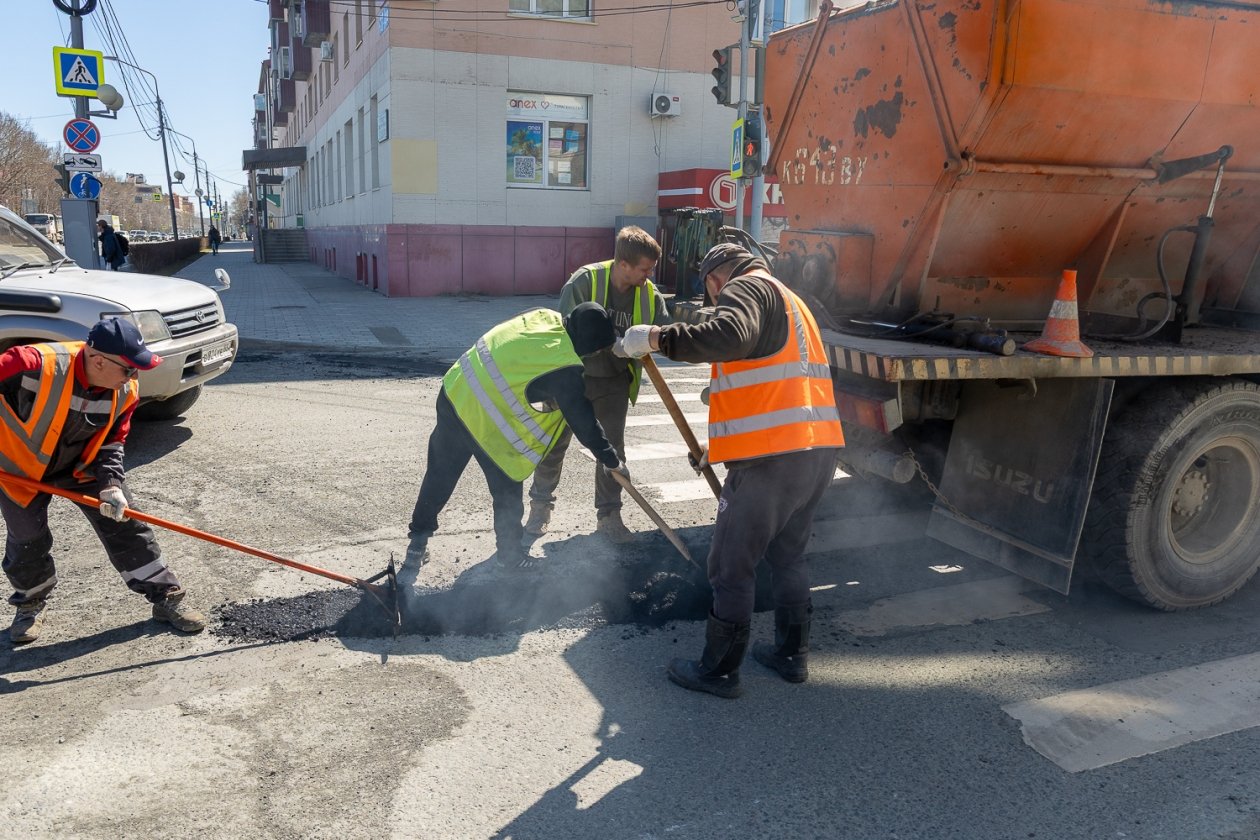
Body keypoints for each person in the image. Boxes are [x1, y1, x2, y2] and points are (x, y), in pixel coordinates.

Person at [615, 243, 844, 698]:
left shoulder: (747, 288)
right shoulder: (791, 300)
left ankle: (718, 671)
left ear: (716, 280)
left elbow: (729, 335)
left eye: (711, 294)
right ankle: (791, 656)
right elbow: (773, 391)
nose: (715, 301)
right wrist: (716, 448)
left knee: (729, 566)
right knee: (788, 557)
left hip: (773, 463)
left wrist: (658, 338)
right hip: (815, 450)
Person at [2, 317, 208, 644]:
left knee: (126, 524)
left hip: (82, 468)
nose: (134, 376)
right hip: (20, 470)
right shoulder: (29, 365)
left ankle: (165, 596)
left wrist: (111, 484)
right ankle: (30, 603)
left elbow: (114, 439)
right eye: (128, 369)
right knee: (27, 538)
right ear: (98, 360)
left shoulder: (125, 389)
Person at [408, 303, 626, 570]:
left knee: (440, 476)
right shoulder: (564, 365)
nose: (592, 355)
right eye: (595, 350)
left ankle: (417, 544)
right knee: (507, 486)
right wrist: (611, 460)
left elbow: (518, 358)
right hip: (483, 415)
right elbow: (583, 422)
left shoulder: (543, 316)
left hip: (456, 390)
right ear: (588, 343)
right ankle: (509, 557)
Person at [524, 226, 669, 544]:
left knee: (613, 451)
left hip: (613, 383)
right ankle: (539, 509)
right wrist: (611, 343)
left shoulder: (648, 295)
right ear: (624, 264)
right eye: (644, 269)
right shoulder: (584, 282)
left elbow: (662, 332)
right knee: (553, 446)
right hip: (569, 380)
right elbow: (560, 334)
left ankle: (609, 517)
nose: (648, 276)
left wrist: (648, 343)